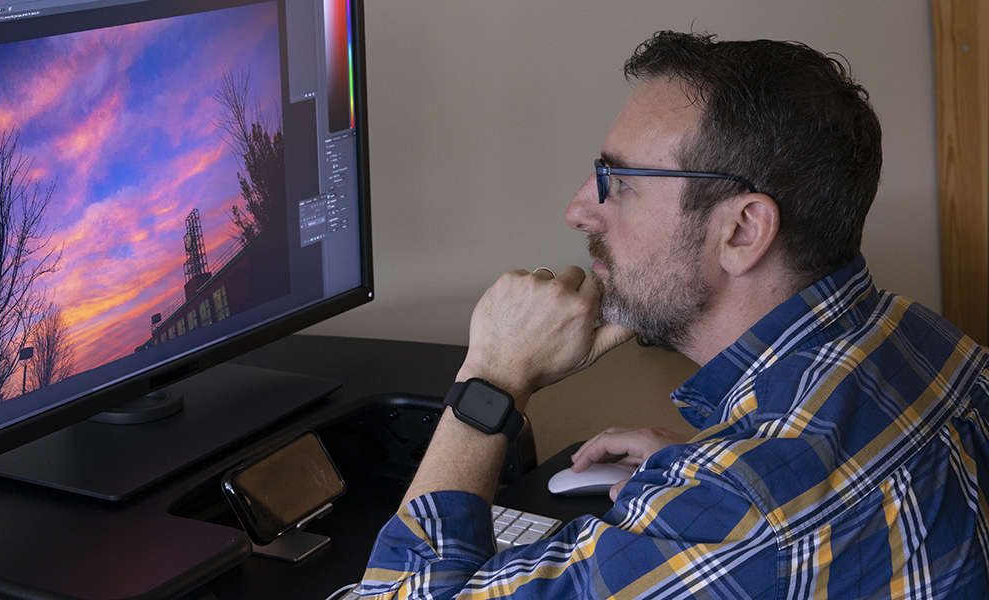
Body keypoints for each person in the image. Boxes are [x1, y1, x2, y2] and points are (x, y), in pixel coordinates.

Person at [358, 31, 989, 599]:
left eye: (620, 182)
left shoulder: (737, 517)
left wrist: (491, 379)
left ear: (742, 230)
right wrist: (709, 459)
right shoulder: (925, 339)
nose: (580, 209)